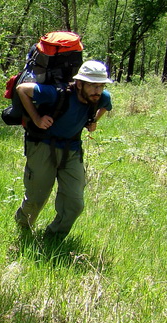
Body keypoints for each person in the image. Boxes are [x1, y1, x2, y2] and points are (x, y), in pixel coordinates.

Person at [13, 60, 113, 239]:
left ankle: (53, 237)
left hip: (72, 149)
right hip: (43, 145)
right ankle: (22, 226)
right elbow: (22, 89)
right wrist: (36, 119)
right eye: (93, 86)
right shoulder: (56, 93)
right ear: (80, 83)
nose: (97, 91)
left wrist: (94, 120)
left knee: (75, 203)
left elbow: (107, 103)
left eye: (101, 86)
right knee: (36, 198)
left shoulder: (101, 97)